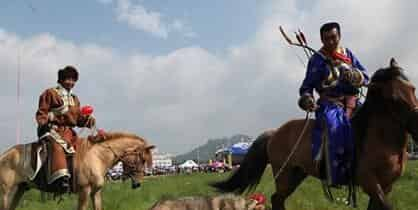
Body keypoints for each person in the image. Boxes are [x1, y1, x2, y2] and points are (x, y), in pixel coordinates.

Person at [298, 22, 369, 186]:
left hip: (353, 101)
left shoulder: (348, 54)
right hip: (330, 104)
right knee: (334, 127)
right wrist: (307, 99)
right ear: (321, 39)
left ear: (339, 36)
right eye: (326, 39)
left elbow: (366, 76)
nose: (330, 41)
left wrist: (354, 75)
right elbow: (306, 87)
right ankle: (336, 175)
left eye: (333, 37)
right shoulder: (317, 60)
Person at [36, 65, 95, 191]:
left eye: (73, 80)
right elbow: (41, 113)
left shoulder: (75, 99)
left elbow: (77, 119)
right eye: (68, 79)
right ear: (61, 80)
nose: (71, 82)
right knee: (58, 147)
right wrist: (48, 118)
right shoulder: (50, 93)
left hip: (69, 132)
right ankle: (59, 180)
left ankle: (81, 177)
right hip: (52, 129)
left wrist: (87, 120)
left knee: (84, 148)